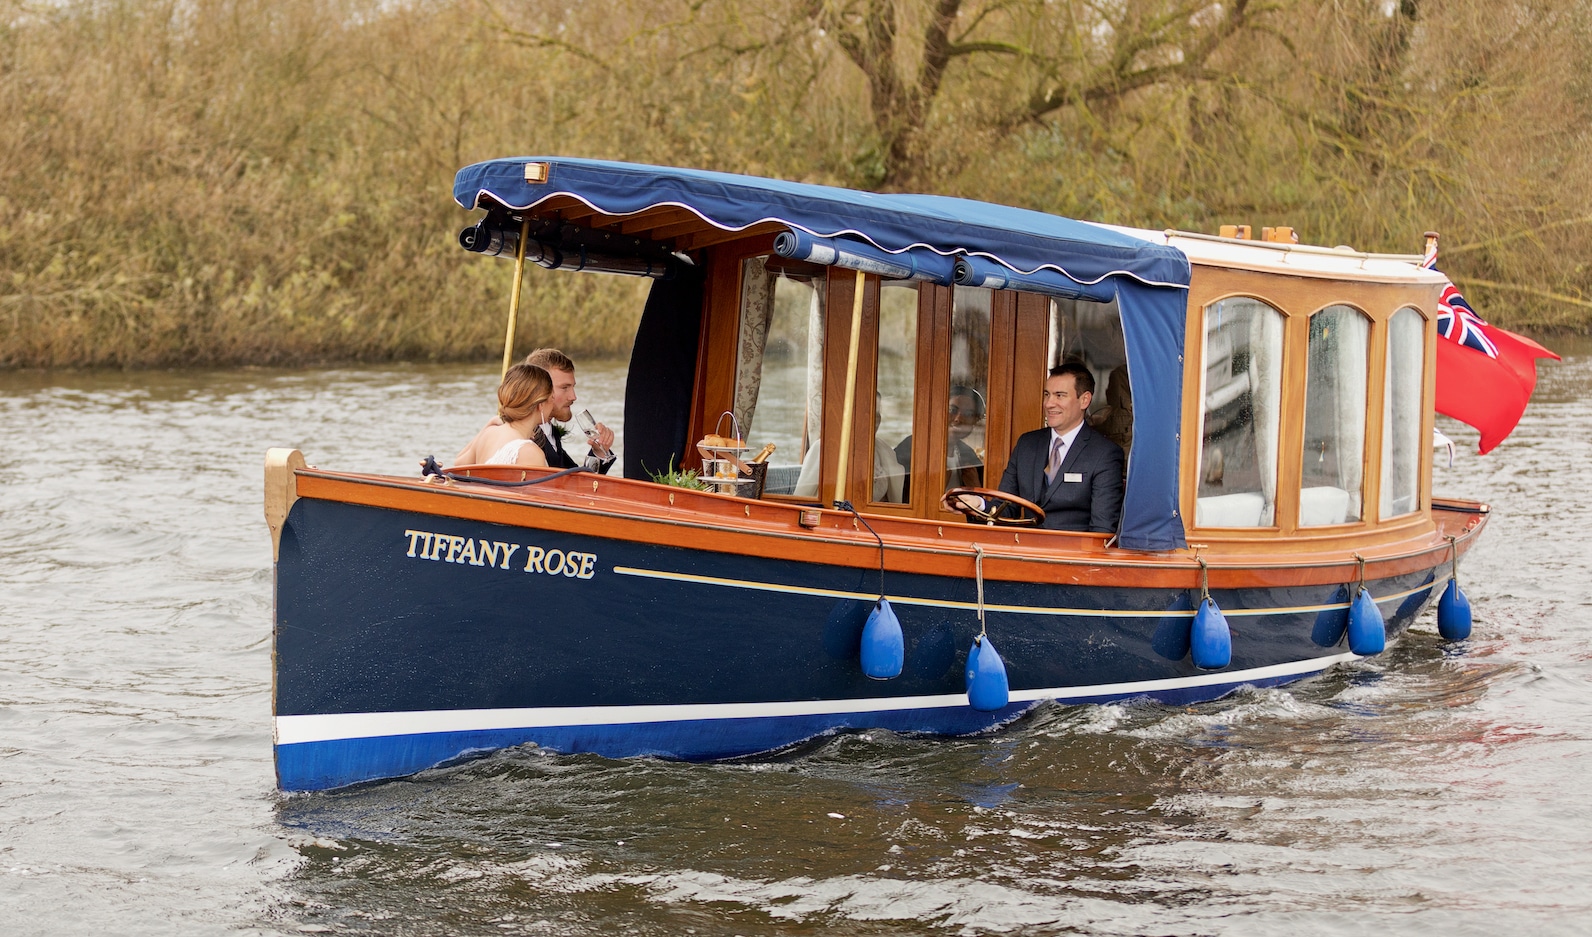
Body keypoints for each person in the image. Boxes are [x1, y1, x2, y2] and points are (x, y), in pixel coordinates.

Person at [996, 362, 1123, 533]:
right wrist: (976, 504)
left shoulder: (1104, 453)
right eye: (1047, 394)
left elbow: (1102, 529)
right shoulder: (1027, 444)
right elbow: (1005, 508)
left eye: (1060, 395)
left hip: (1071, 557)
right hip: (1024, 553)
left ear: (1084, 400)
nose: (1049, 403)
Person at [520, 348, 618, 473]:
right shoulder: (523, 437)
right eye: (564, 388)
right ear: (538, 389)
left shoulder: (550, 432)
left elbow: (579, 482)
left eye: (572, 387)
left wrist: (599, 452)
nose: (573, 396)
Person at [452, 364, 555, 468]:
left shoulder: (488, 434)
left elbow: (459, 464)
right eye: (552, 397)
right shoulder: (529, 452)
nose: (553, 403)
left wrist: (490, 423)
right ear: (540, 405)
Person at [894, 385, 985, 499]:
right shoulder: (911, 448)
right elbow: (902, 501)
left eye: (968, 414)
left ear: (975, 420)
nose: (958, 419)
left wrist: (975, 486)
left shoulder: (968, 455)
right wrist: (937, 487)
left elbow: (985, 505)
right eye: (952, 410)